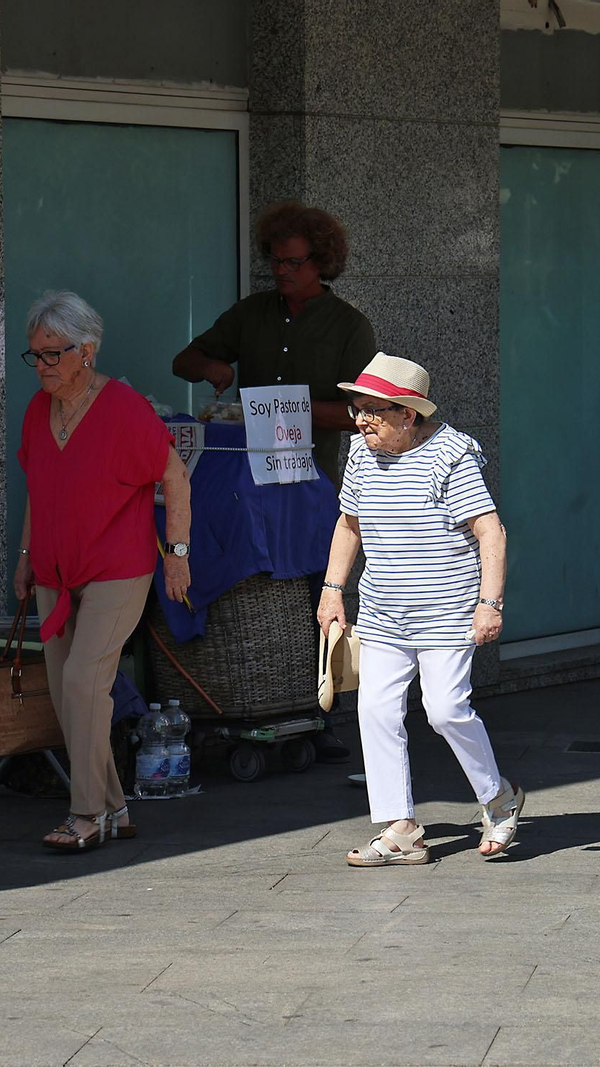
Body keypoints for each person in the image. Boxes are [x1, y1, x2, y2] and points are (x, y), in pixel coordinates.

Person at [172, 200, 378, 763]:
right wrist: (212, 367)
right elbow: (183, 360)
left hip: (313, 484)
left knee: (322, 594)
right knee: (260, 592)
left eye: (293, 262)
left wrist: (292, 409)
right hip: (251, 484)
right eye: (275, 262)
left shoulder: (349, 326)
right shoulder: (253, 313)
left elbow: (363, 413)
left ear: (321, 263)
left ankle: (325, 712)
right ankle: (255, 695)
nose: (282, 272)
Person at [315, 354, 522, 865]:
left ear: (408, 414)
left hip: (447, 610)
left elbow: (489, 531)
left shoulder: (450, 456)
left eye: (372, 411)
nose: (359, 420)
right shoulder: (363, 453)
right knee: (376, 711)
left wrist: (489, 604)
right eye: (356, 408)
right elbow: (349, 525)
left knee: (446, 709)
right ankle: (400, 828)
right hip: (385, 610)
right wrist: (332, 589)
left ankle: (498, 799)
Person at [14, 290, 192, 850]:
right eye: (34, 355)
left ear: (85, 351)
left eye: (51, 354)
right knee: (73, 697)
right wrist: (24, 560)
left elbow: (174, 478)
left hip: (118, 567)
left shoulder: (122, 407)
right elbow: (37, 494)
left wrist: (178, 555)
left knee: (82, 683)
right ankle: (115, 806)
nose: (41, 366)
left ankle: (86, 815)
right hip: (55, 570)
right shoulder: (38, 411)